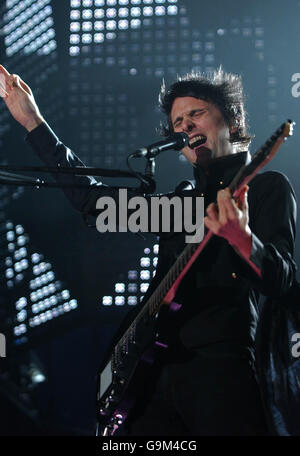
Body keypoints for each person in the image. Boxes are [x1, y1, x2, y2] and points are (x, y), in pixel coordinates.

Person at [0, 64, 297, 436]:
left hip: (221, 365)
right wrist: (34, 124)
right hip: (150, 374)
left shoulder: (266, 187)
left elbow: (284, 280)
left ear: (232, 120)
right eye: (178, 122)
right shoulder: (182, 205)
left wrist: (243, 239)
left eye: (196, 114)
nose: (186, 126)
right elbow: (96, 203)